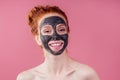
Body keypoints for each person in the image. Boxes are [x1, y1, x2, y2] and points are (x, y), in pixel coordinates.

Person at [17, 5, 99, 80]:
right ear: (38, 39)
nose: (55, 36)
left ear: (68, 34)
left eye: (61, 30)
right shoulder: (26, 78)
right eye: (47, 31)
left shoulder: (86, 75)